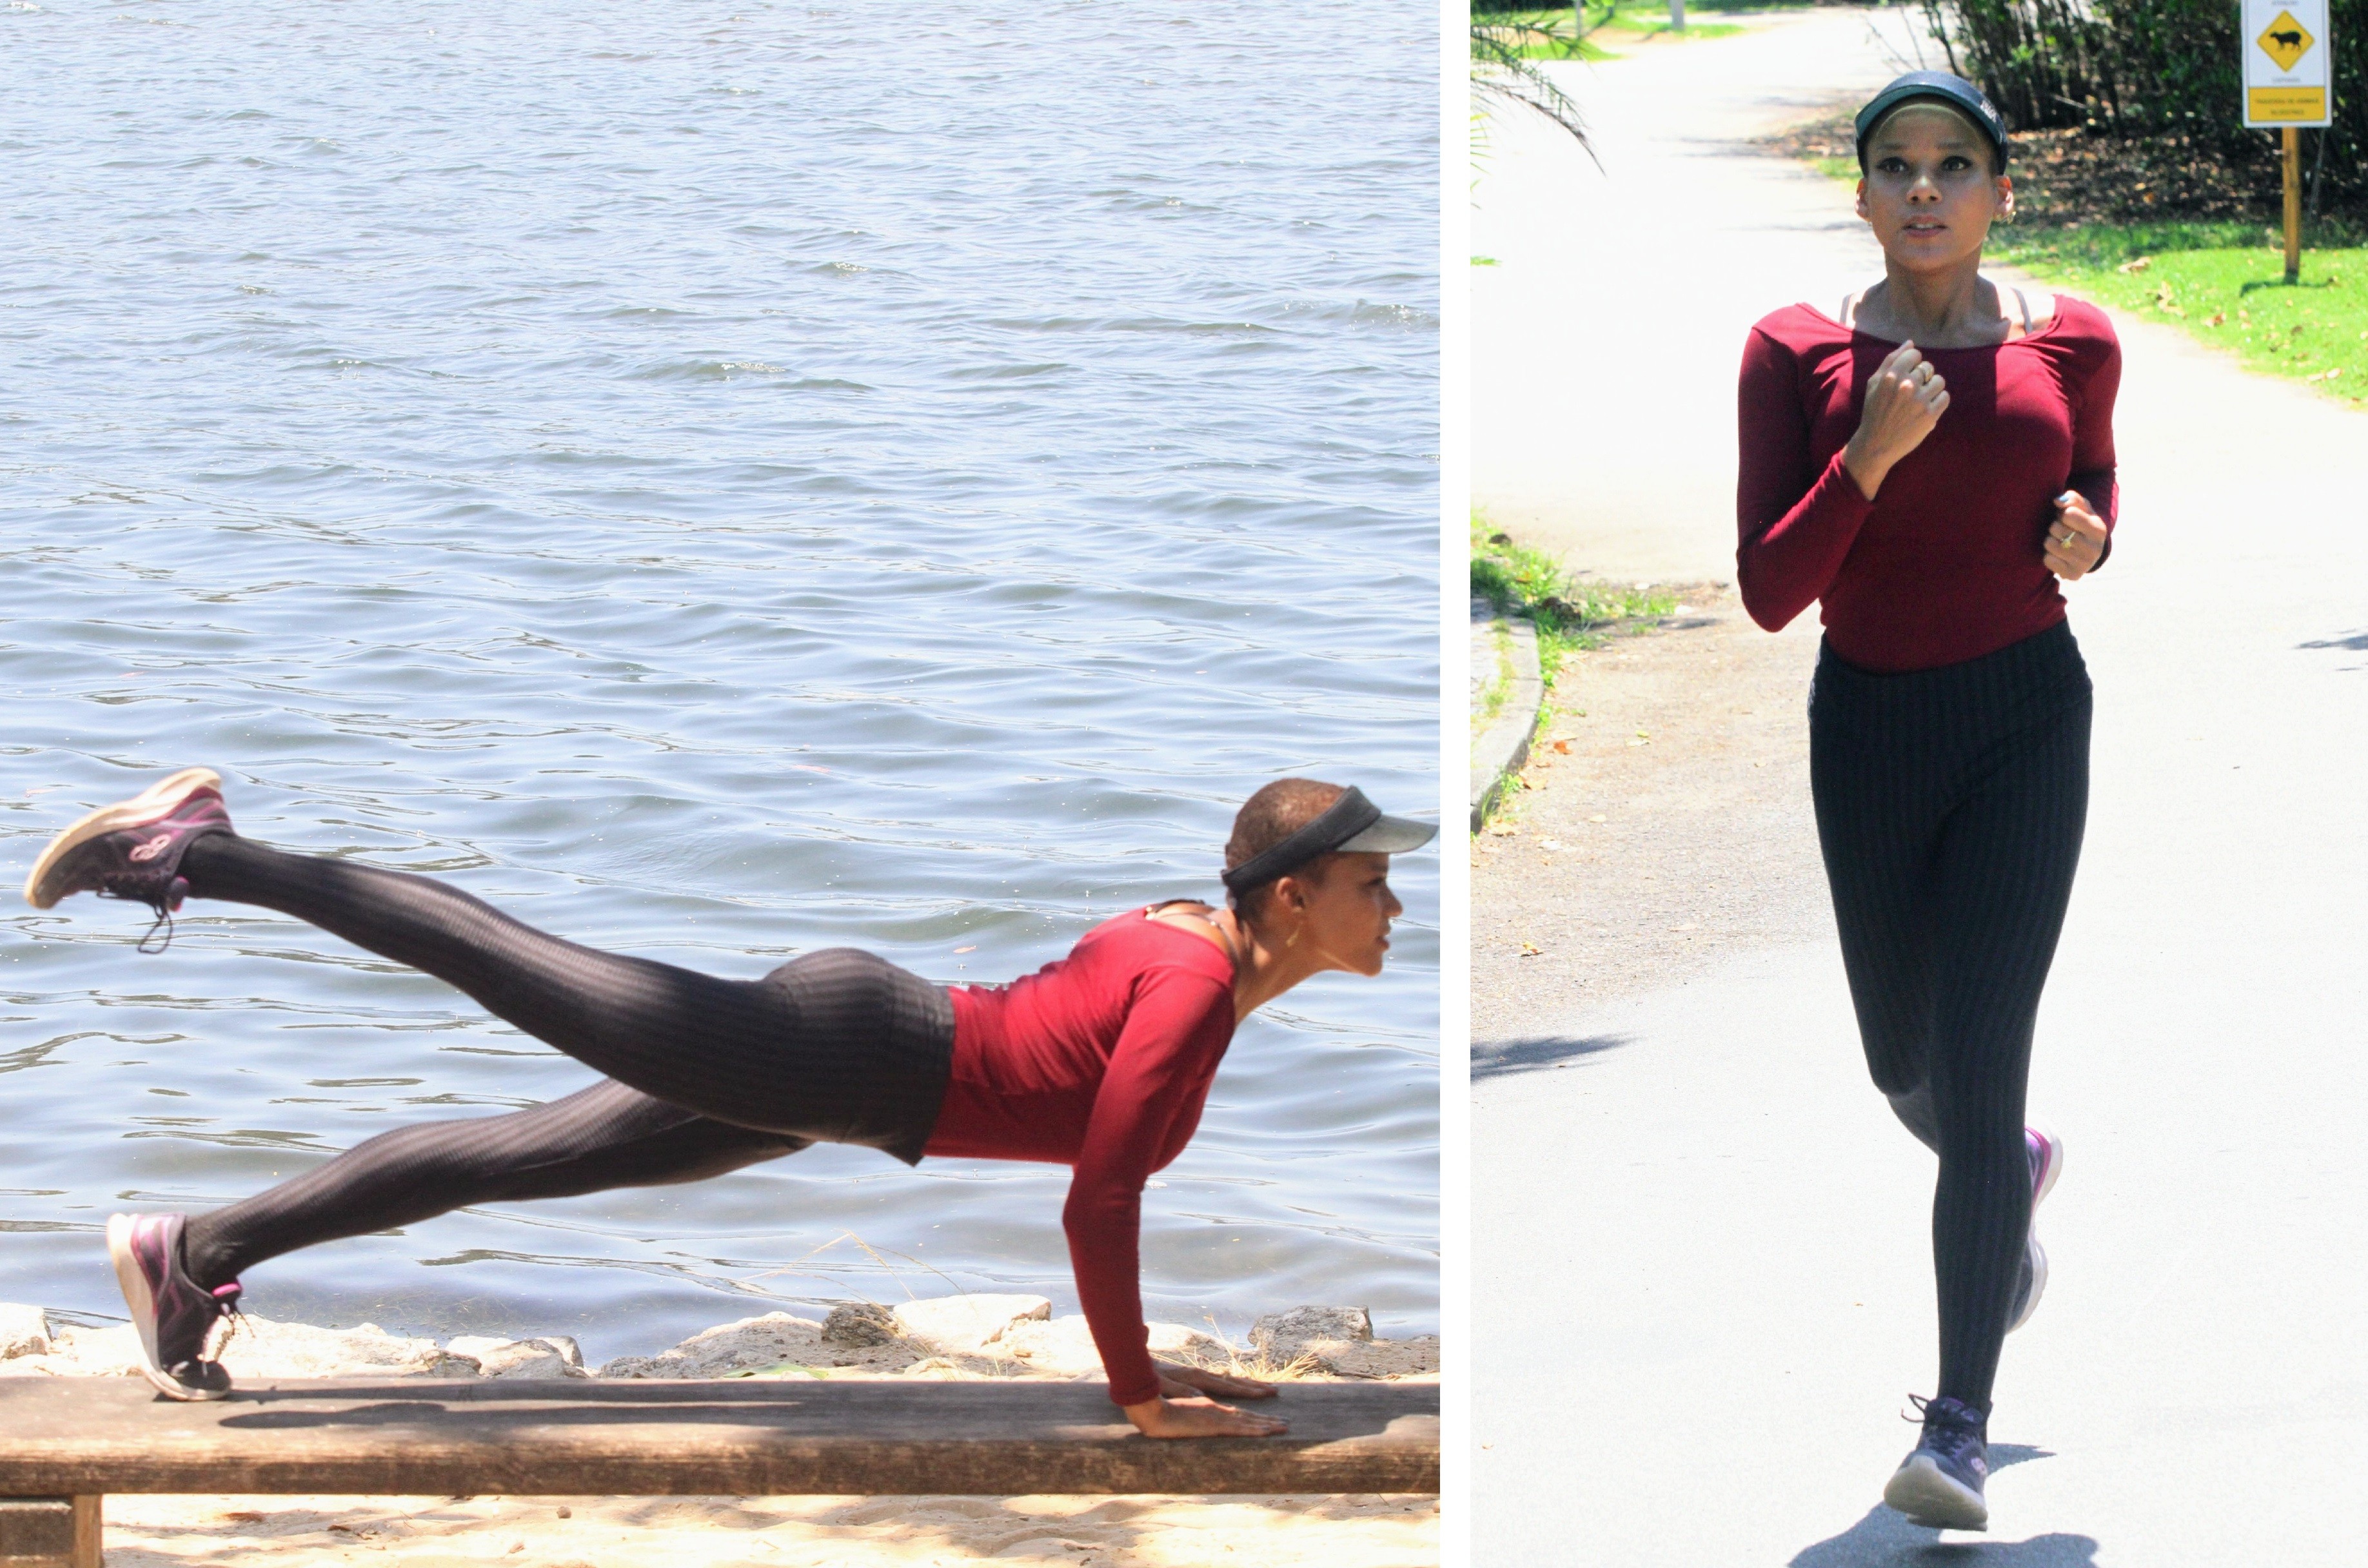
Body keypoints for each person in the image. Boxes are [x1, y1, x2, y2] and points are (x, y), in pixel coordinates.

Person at [24, 767, 1433, 1439]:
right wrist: (1135, 1390)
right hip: (846, 1053)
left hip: (855, 1075)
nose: (1395, 903)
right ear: (1294, 896)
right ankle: (201, 852)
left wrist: (1154, 1367)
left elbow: (1055, 1056)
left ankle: (194, 1253)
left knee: (521, 1159)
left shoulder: (1193, 941)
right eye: (1371, 881)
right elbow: (1100, 1194)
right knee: (504, 957)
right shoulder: (1193, 991)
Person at [1734, 70, 2118, 1531]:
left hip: (2028, 723)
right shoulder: (1797, 355)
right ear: (1862, 195)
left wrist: (2090, 538)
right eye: (1895, 164)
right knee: (1905, 1065)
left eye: (1955, 164)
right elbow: (1775, 591)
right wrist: (1865, 463)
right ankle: (2009, 1169)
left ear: (2000, 192)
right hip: (1872, 734)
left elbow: (2092, 492)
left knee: (1981, 1049)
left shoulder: (2074, 342)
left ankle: (1956, 1425)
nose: (1924, 188)